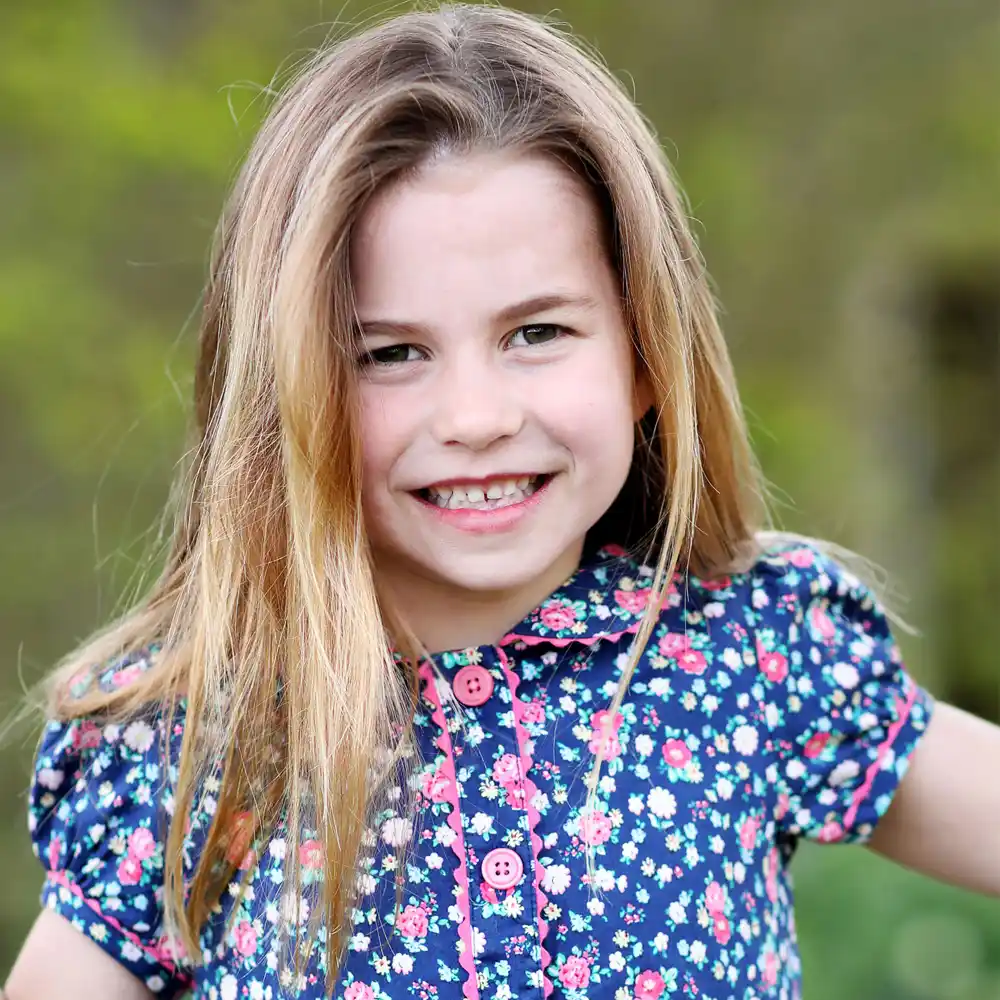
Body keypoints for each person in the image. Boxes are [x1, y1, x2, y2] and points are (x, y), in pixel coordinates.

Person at [7, 4, 998, 999]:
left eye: (536, 333)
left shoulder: (750, 651)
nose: (474, 416)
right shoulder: (195, 739)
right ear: (284, 395)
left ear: (646, 354)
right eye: (390, 354)